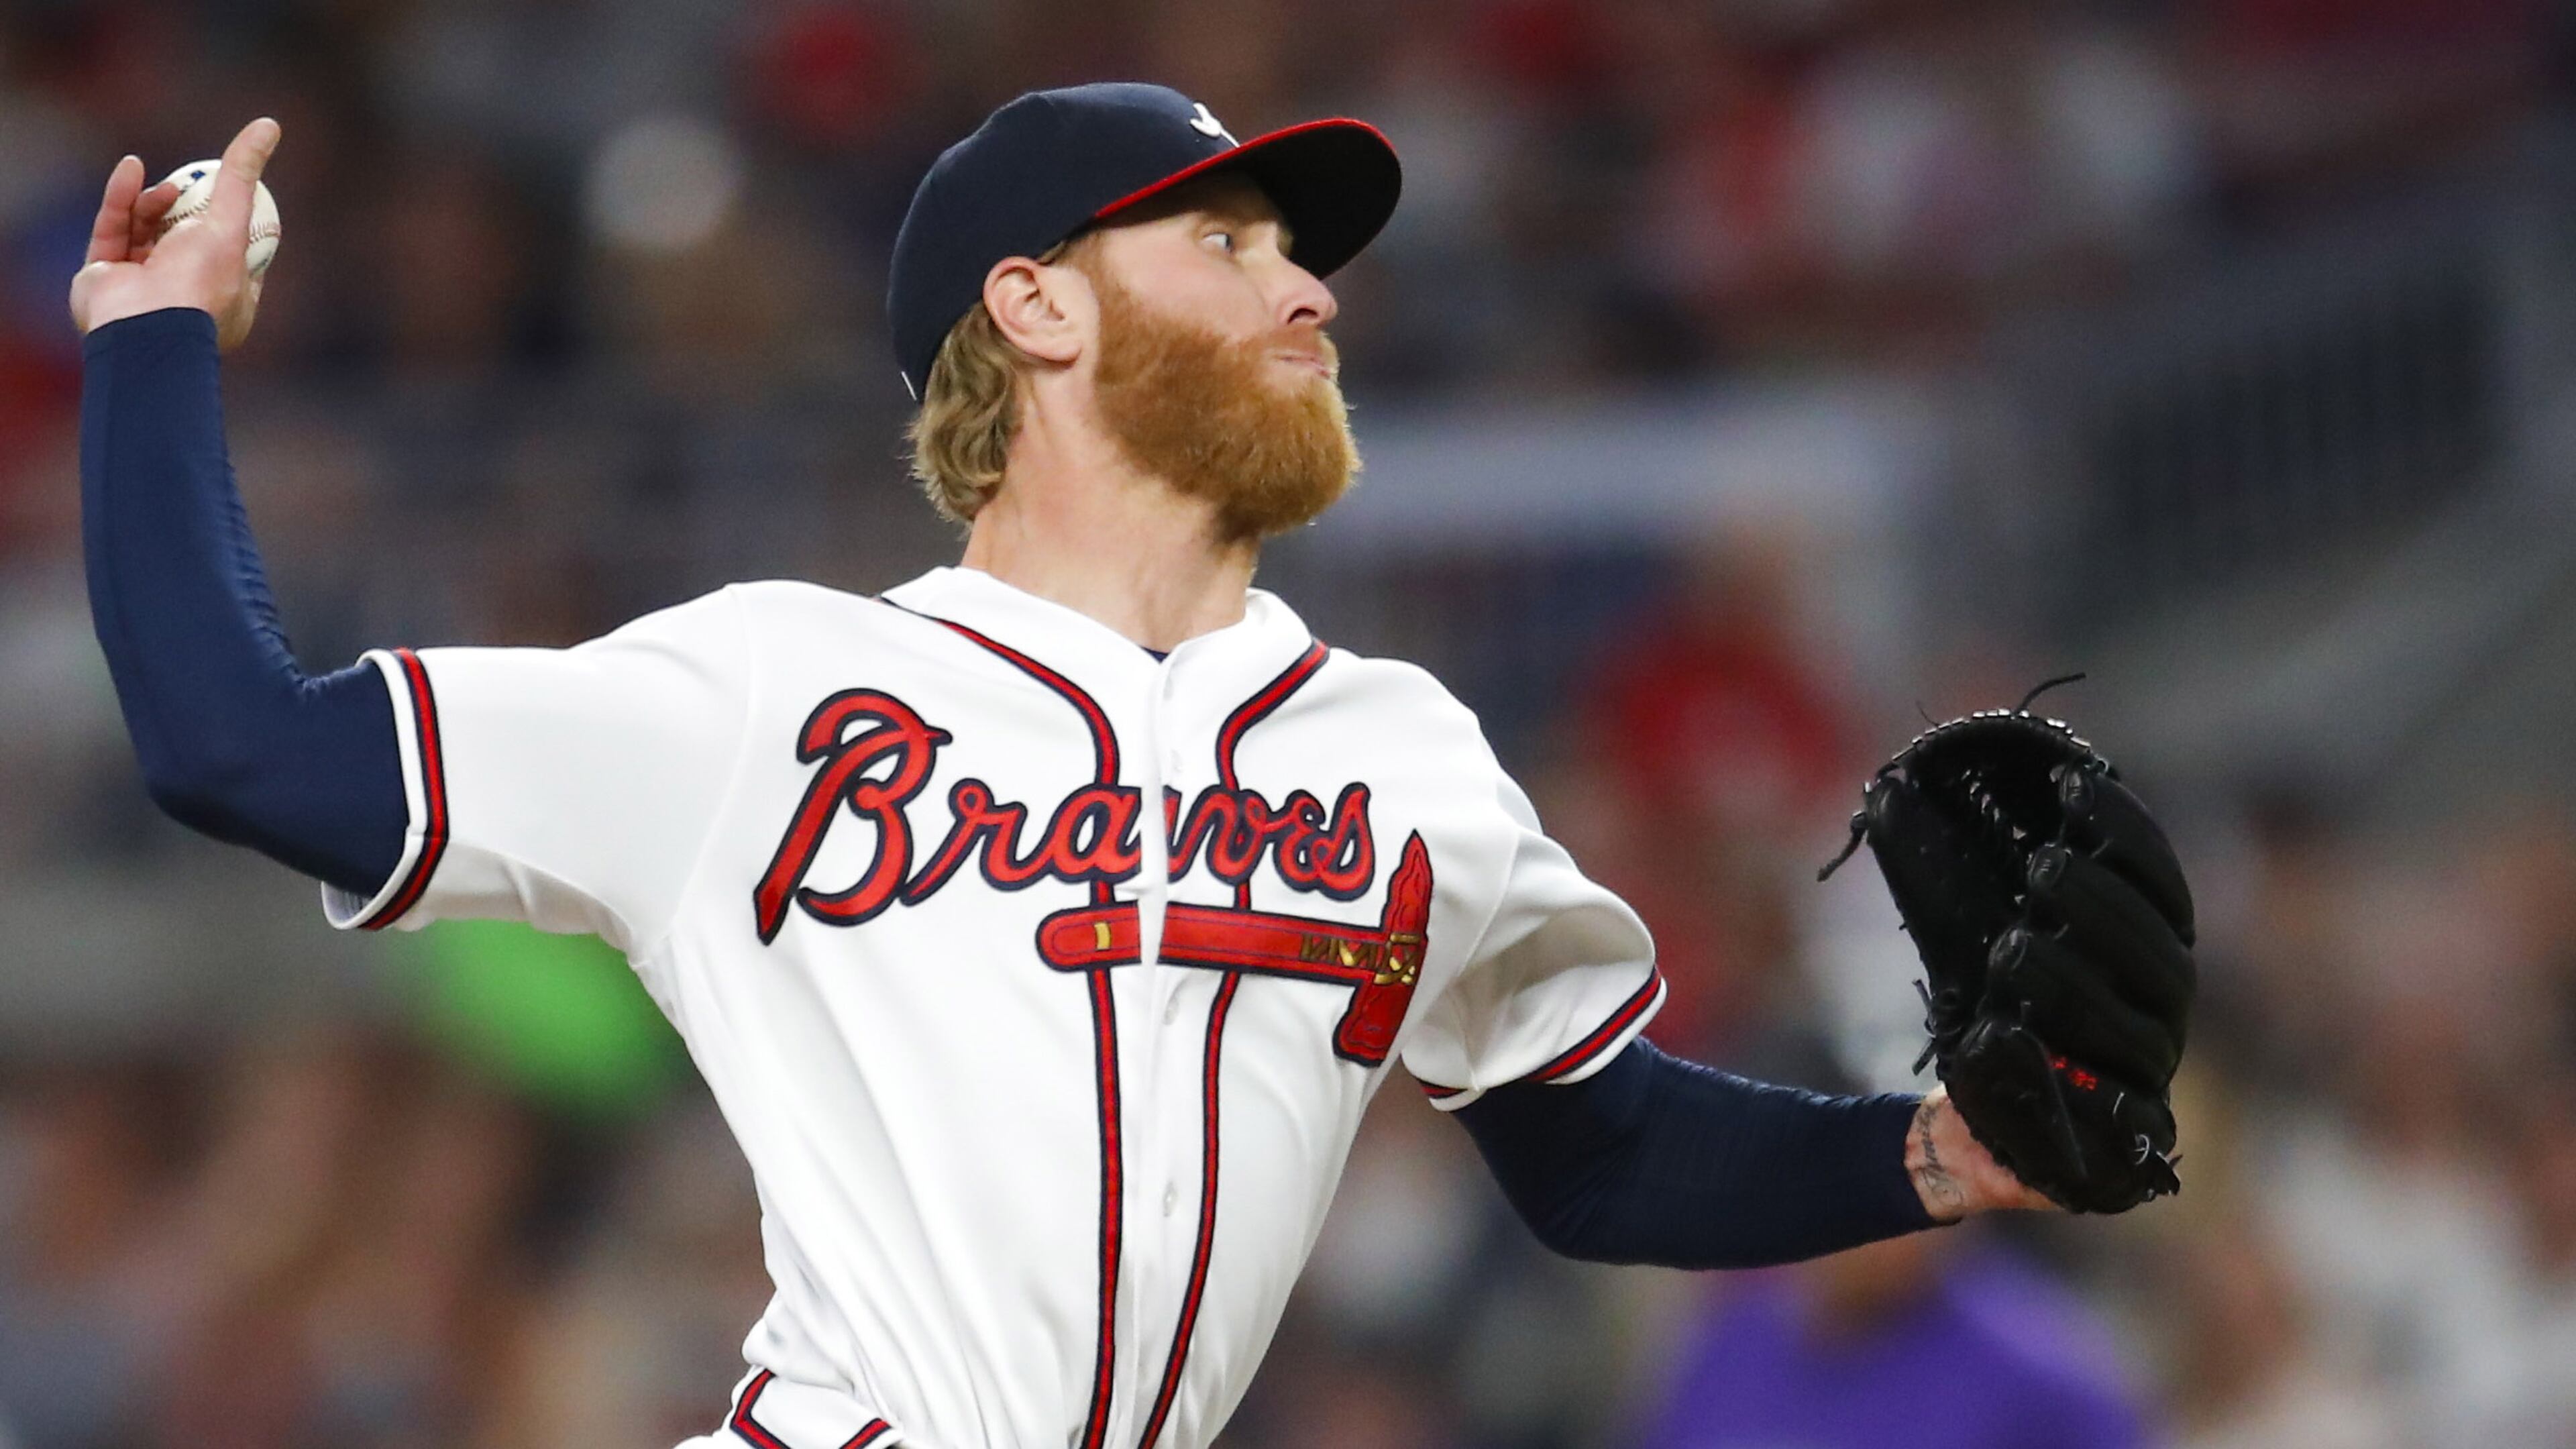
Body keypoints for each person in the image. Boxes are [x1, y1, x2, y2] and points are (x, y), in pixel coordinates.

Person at [70, 87, 2067, 1449]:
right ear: (1032, 307)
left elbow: (1600, 1144)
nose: (1311, 291)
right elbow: (236, 740)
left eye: (1300, 253)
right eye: (1227, 244)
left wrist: (1922, 1155)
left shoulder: (1406, 758)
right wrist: (156, 345)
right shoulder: (772, 689)